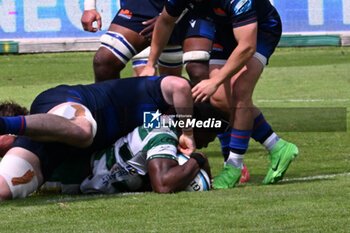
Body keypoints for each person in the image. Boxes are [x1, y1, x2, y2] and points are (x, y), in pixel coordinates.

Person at [141, 0, 299, 188]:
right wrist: (150, 64)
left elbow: (247, 46)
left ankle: (234, 167)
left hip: (261, 30)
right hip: (223, 29)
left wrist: (215, 81)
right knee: (220, 100)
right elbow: (165, 21)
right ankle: (278, 147)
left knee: (240, 90)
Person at [0, 75, 198, 200]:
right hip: (64, 102)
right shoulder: (153, 93)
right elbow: (180, 85)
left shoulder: (151, 130)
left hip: (55, 147)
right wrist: (188, 133)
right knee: (84, 131)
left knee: (4, 190)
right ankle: (6, 124)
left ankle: (10, 127)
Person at [81, 0, 215, 82]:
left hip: (190, 5)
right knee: (104, 62)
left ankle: (208, 126)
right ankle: (112, 123)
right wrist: (89, 6)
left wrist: (171, 16)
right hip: (144, 4)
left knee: (197, 71)